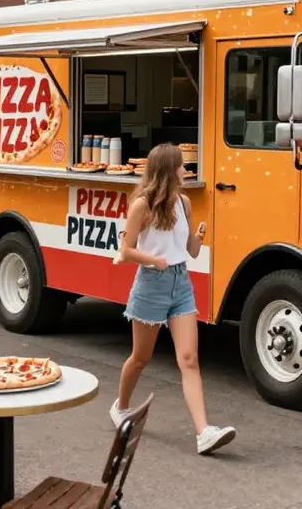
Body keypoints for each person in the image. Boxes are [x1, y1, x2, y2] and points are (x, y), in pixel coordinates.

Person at [111, 143, 236, 455]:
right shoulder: (141, 206)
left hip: (181, 283)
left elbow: (190, 251)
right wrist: (153, 260)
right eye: (181, 166)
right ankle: (121, 407)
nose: (185, 170)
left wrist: (199, 239)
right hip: (151, 284)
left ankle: (203, 432)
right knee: (140, 358)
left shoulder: (184, 202)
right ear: (168, 171)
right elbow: (126, 251)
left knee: (189, 359)